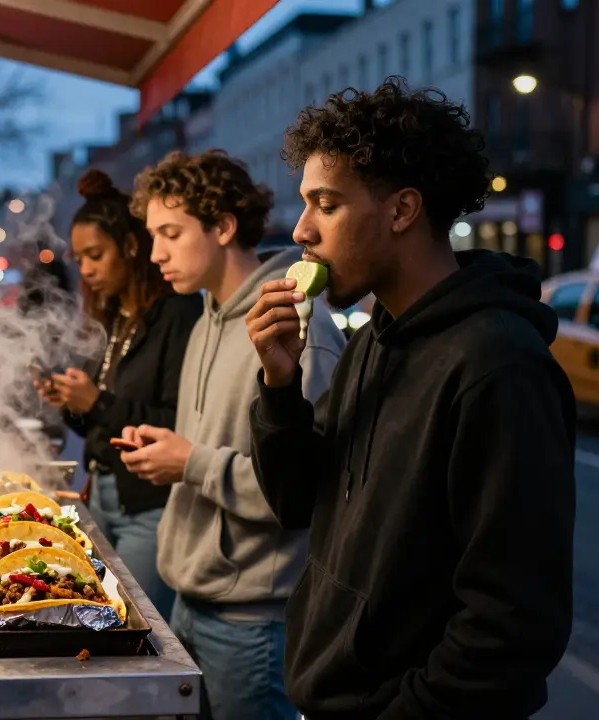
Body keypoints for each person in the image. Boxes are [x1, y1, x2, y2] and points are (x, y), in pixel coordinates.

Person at [245, 79, 576, 719]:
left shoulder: (498, 364)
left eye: (326, 204)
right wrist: (280, 388)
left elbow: (510, 626)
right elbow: (295, 503)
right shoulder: (375, 338)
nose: (301, 229)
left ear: (401, 212)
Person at [117, 150, 346, 720]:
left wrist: (190, 462)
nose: (156, 254)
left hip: (253, 618)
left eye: (170, 233)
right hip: (192, 598)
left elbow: (308, 490)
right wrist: (171, 450)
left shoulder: (297, 327)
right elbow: (217, 443)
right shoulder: (206, 318)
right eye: (152, 236)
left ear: (222, 226)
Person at [37, 169, 202, 621]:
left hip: (149, 508)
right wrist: (72, 404)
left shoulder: (177, 313)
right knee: (95, 618)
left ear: (131, 248)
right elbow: (103, 423)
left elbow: (174, 421)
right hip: (101, 496)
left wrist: (96, 402)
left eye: (95, 255)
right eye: (80, 258)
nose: (85, 270)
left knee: (134, 626)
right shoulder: (114, 315)